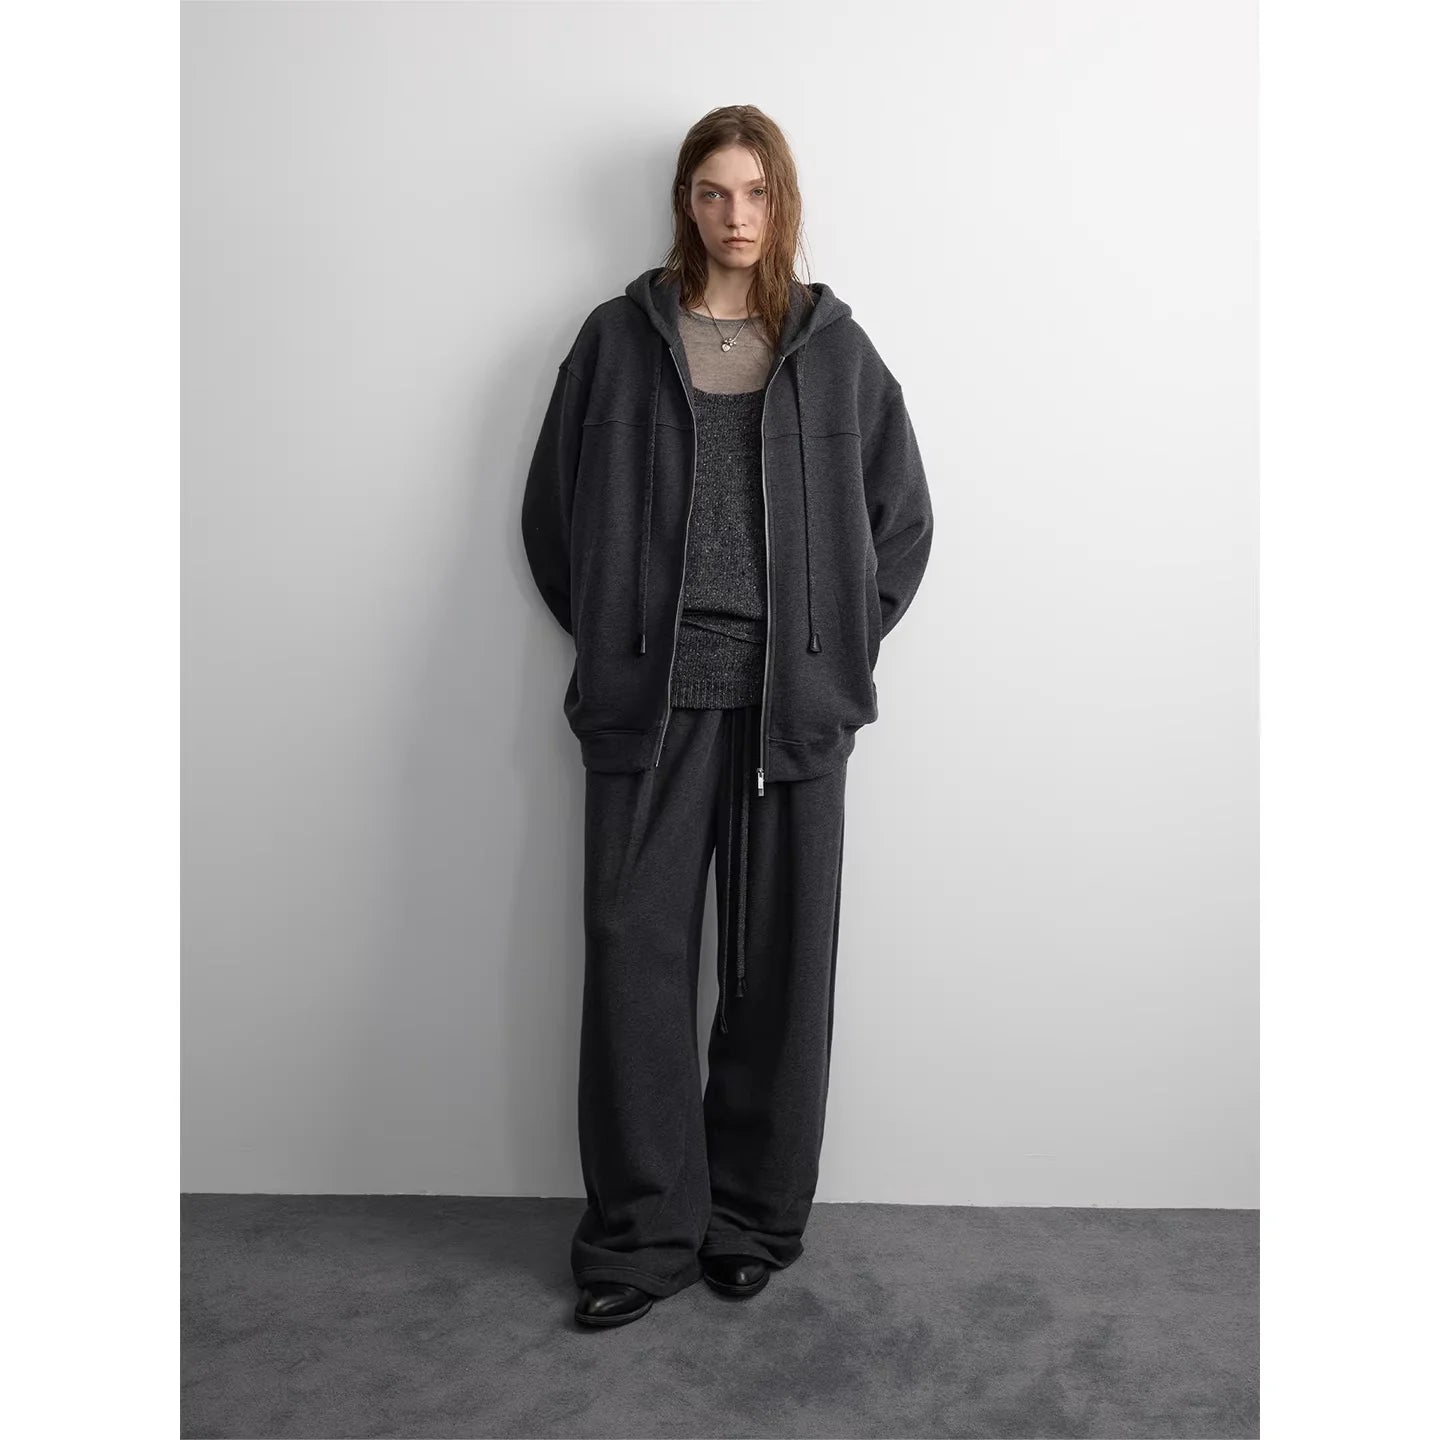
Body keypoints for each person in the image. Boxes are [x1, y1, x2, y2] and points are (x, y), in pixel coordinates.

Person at [521, 105, 934, 1329]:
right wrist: (617, 631)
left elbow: (902, 522)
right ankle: (642, 1236)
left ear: (782, 200)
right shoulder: (615, 342)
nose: (735, 216)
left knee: (778, 975)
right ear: (684, 204)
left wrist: (833, 642)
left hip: (790, 713)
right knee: (634, 964)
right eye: (713, 192)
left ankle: (751, 1220)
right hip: (649, 706)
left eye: (755, 192)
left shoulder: (833, 350)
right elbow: (554, 518)